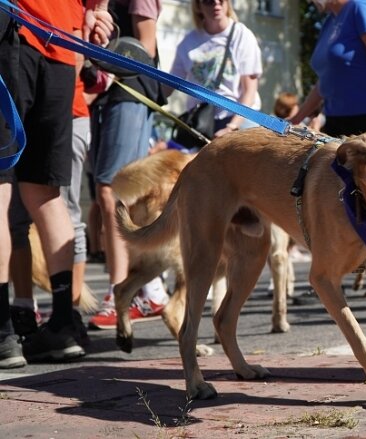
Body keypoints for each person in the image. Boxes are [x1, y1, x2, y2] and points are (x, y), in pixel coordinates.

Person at [0, 0, 113, 368]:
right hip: (62, 46)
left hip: (14, 32)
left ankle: (3, 333)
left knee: (1, 189)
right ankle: (63, 323)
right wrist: (94, 13)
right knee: (46, 194)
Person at [88, 0, 170, 330]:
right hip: (103, 93)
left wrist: (105, 76)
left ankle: (122, 291)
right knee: (107, 194)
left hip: (128, 91)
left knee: (113, 193)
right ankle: (151, 289)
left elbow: (143, 51)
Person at [290, 0, 366, 137]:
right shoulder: (330, 21)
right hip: (335, 121)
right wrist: (295, 120)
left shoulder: (361, 7)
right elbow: (325, 80)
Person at [168, 0, 263, 138]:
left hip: (239, 118)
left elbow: (249, 91)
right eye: (209, 1)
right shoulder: (188, 42)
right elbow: (169, 85)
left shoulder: (241, 35)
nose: (216, 4)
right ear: (198, 6)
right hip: (201, 122)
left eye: (221, 0)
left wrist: (232, 126)